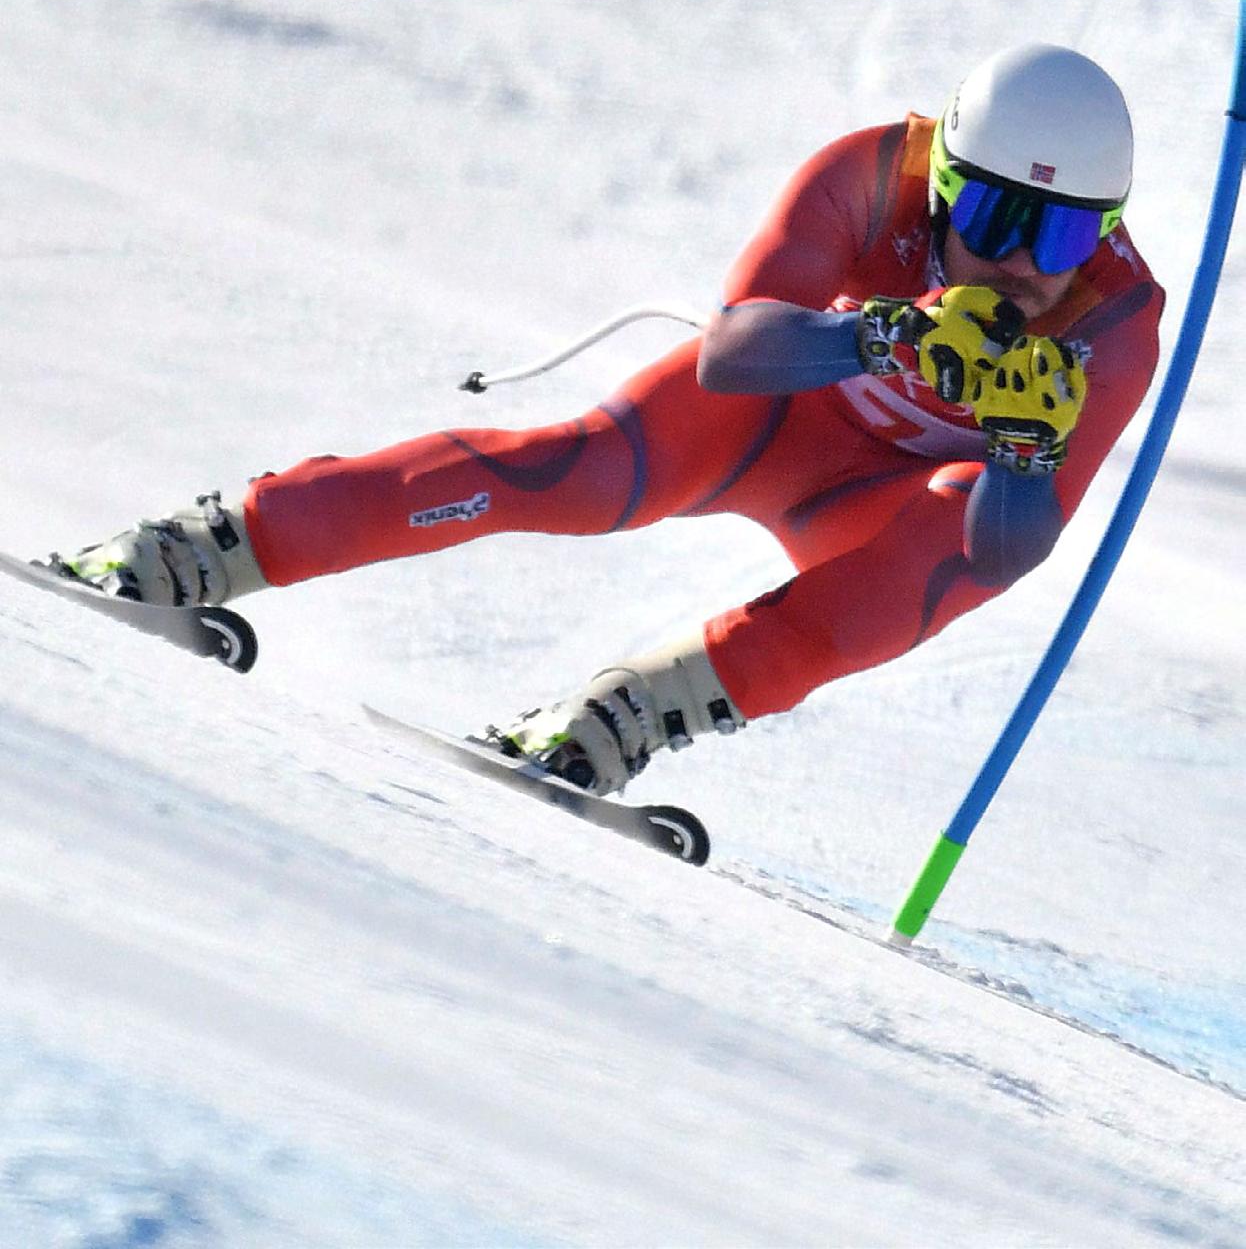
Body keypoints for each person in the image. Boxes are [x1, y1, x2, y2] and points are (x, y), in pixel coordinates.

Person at [62, 44, 1163, 796]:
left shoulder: (1111, 324)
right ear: (944, 185)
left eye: (1063, 236)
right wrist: (882, 336)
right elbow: (735, 351)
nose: (1022, 262)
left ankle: (625, 714)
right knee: (574, 475)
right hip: (767, 419)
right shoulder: (876, 175)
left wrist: (1026, 454)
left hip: (878, 507)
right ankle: (206, 545)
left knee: (925, 568)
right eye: (995, 216)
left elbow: (1005, 554)